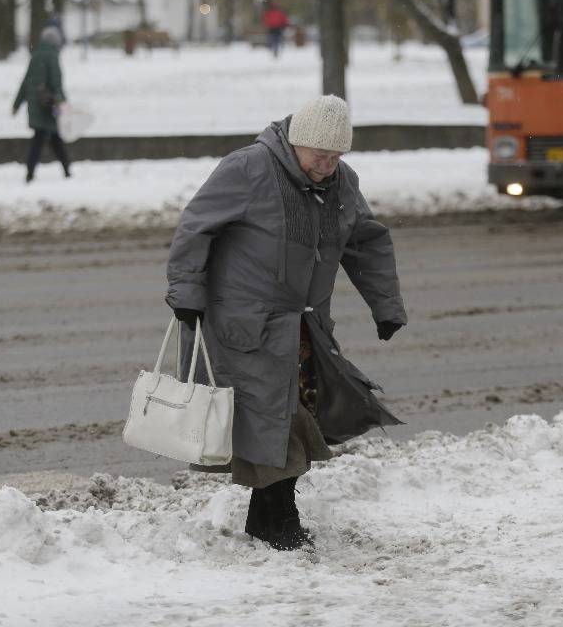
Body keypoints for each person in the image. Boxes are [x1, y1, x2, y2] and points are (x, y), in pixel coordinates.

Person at [165, 95, 408, 552]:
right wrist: (186, 295)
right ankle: (279, 518)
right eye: (320, 155)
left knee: (295, 414)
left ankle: (269, 515)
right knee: (275, 417)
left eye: (337, 157)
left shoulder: (341, 182)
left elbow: (365, 242)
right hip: (246, 321)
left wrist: (387, 306)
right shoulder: (249, 168)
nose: (327, 165)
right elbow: (195, 227)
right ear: (298, 142)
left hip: (304, 325)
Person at [12, 23, 71, 183]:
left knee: (47, 138)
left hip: (36, 106)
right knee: (50, 139)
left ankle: (35, 173)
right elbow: (57, 83)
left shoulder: (36, 55)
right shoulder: (52, 56)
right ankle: (65, 172)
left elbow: (25, 81)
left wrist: (17, 103)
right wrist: (62, 103)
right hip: (49, 106)